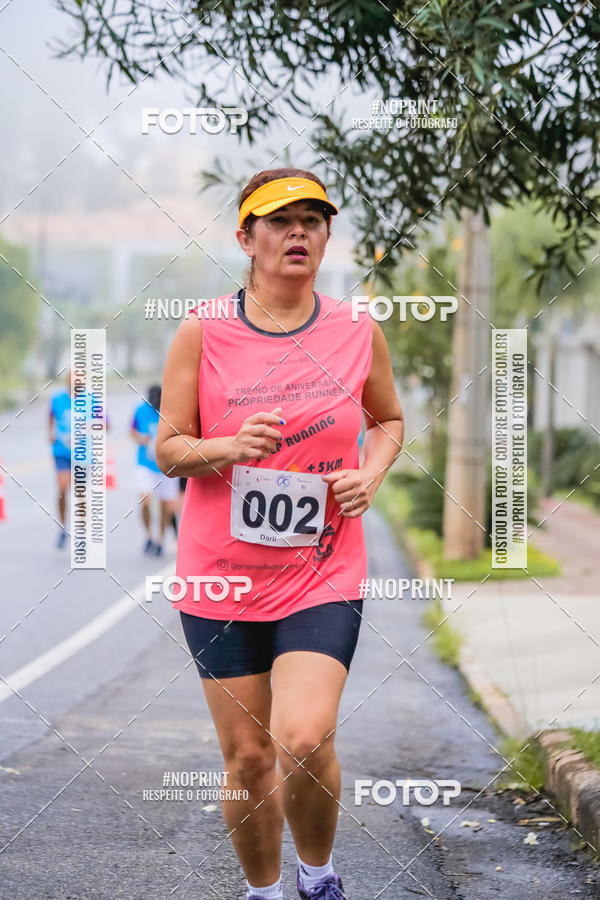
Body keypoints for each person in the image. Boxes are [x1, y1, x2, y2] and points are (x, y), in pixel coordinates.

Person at [155, 168, 404, 900]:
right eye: (278, 220)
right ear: (246, 237)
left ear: (327, 236)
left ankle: (318, 877)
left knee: (302, 736)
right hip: (220, 575)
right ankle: (264, 892)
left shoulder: (358, 328)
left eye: (313, 220)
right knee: (248, 758)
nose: (298, 232)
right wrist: (229, 447)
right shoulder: (203, 328)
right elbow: (169, 449)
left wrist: (374, 471)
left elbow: (388, 419)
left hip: (320, 568)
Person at [130, 384, 178, 556]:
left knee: (166, 506)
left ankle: (160, 539)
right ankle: (148, 535)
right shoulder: (140, 410)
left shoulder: (170, 412)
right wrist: (140, 438)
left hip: (166, 467)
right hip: (145, 464)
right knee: (145, 500)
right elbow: (132, 431)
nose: (155, 406)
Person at [48, 370, 72, 549]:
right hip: (61, 451)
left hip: (82, 454)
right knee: (63, 487)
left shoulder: (92, 400)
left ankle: (81, 531)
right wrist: (50, 431)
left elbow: (105, 423)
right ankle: (63, 526)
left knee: (81, 494)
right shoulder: (57, 399)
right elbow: (50, 417)